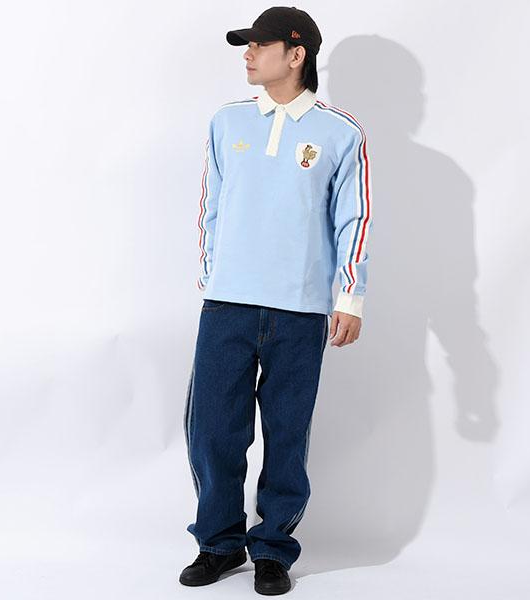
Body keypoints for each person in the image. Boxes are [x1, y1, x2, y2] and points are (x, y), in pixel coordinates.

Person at [179, 6, 372, 595]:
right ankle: (218, 543)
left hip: (300, 310)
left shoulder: (341, 132)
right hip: (227, 305)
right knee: (212, 431)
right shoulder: (227, 121)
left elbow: (354, 218)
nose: (248, 54)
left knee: (287, 435)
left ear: (296, 54)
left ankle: (272, 549)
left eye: (259, 45)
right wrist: (212, 275)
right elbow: (211, 205)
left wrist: (351, 297)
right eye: (247, 45)